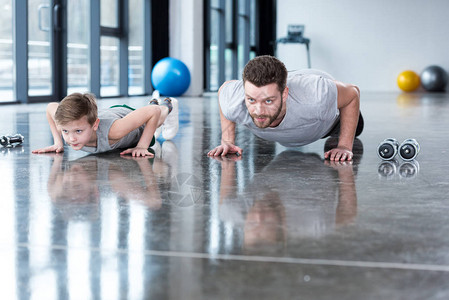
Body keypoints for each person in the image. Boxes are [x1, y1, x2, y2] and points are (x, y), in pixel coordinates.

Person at [207, 55, 363, 161]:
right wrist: (227, 140)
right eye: (252, 100)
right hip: (302, 115)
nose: (258, 111)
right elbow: (224, 90)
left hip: (328, 123)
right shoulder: (235, 99)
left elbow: (352, 93)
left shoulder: (317, 96)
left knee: (357, 127)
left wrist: (344, 146)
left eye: (268, 101)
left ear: (284, 94)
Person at [32, 92, 179, 156]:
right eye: (65, 131)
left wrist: (142, 146)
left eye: (78, 131)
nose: (71, 139)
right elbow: (50, 107)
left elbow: (152, 112)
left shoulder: (114, 132)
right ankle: (154, 101)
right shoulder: (67, 123)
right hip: (109, 114)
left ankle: (168, 104)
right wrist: (58, 142)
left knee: (157, 118)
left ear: (94, 125)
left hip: (125, 118)